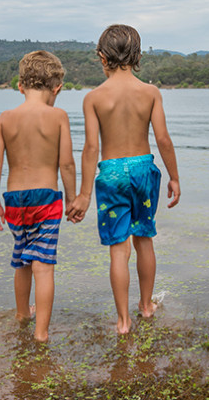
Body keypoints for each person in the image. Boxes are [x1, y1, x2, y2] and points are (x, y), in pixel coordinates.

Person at [67, 24, 180, 334]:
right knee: (144, 239)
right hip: (143, 170)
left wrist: (84, 194)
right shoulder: (151, 93)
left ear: (102, 57)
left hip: (112, 173)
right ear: (138, 55)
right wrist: (174, 177)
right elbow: (163, 139)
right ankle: (145, 307)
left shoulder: (93, 98)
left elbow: (91, 148)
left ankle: (122, 321)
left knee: (119, 248)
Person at [0, 50, 76, 342]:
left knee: (22, 258)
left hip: (14, 201)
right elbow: (66, 163)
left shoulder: (6, 118)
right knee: (44, 264)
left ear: (20, 85)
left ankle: (23, 313)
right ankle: (41, 333)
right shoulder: (58, 116)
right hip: (46, 200)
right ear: (57, 87)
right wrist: (73, 198)